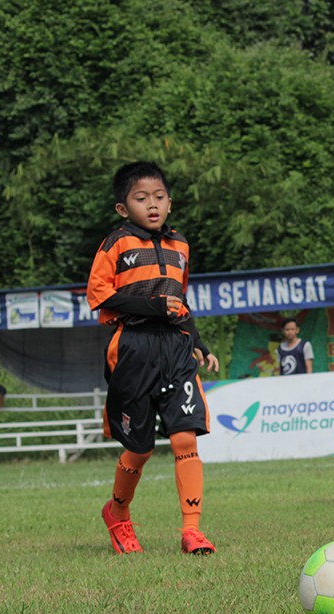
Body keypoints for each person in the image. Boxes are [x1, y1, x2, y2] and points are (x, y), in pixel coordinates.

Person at [86, 161, 220, 555]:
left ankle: (192, 530)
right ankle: (118, 513)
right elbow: (99, 295)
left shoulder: (180, 246)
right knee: (140, 448)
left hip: (176, 349)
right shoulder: (116, 245)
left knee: (184, 436)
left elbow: (179, 301)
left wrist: (198, 341)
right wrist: (152, 306)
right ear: (123, 209)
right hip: (133, 350)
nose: (153, 205)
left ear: (170, 202)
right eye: (141, 198)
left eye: (159, 197)